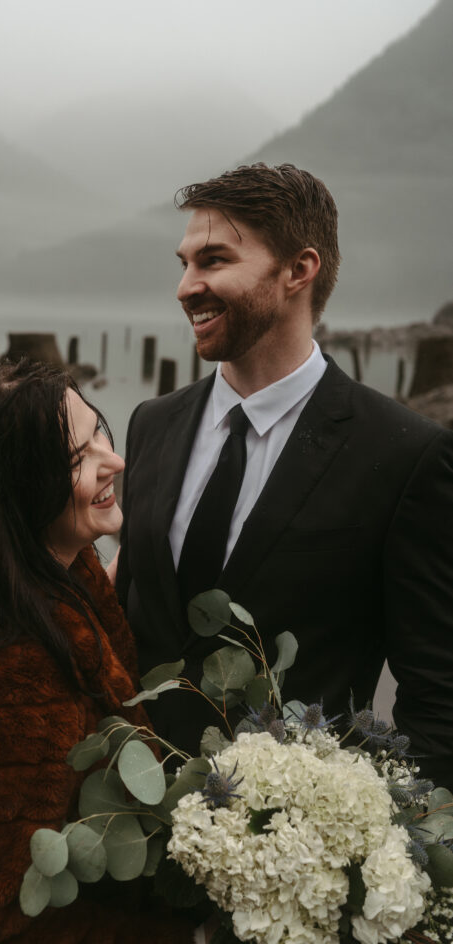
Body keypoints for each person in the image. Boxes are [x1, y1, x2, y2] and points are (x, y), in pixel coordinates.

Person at [117, 162, 453, 790]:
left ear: (299, 270)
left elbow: (438, 696)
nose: (188, 286)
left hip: (291, 858)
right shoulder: (150, 425)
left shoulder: (407, 455)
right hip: (127, 831)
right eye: (185, 263)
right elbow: (123, 631)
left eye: (213, 260)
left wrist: (388, 840)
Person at [0, 359, 197, 944]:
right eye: (79, 457)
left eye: (100, 429)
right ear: (15, 491)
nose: (116, 459)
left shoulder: (51, 575)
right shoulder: (6, 679)